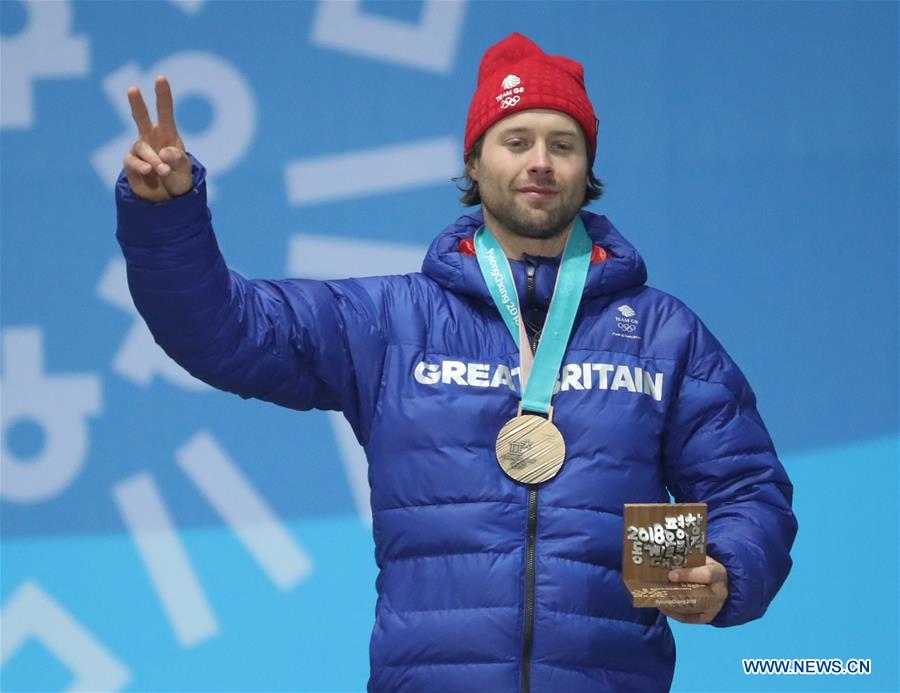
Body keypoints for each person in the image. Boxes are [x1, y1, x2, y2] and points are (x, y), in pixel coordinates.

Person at [116, 32, 797, 693]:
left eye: (563, 145)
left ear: (586, 171)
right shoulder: (391, 322)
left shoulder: (662, 335)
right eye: (516, 141)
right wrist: (168, 215)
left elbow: (748, 490)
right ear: (474, 162)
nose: (540, 161)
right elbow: (222, 332)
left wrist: (727, 569)